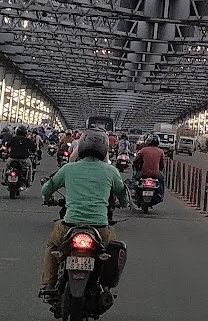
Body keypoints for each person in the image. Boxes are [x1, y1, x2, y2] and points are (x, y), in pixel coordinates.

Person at [39, 128, 128, 301]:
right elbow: (122, 195)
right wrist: (123, 203)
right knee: (112, 250)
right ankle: (104, 286)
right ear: (105, 149)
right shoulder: (111, 171)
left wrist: (47, 197)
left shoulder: (69, 168)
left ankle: (49, 284)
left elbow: (47, 188)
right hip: (100, 228)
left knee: (52, 245)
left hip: (69, 225)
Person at [131, 136, 166, 203]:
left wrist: (135, 167)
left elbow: (135, 160)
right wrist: (159, 169)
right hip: (156, 173)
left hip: (144, 172)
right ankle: (161, 194)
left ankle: (134, 191)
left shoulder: (143, 150)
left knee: (135, 178)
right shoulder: (161, 152)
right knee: (162, 180)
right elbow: (162, 164)